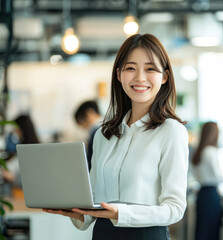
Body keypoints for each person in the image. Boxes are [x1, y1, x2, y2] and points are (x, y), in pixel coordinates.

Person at [42, 33, 189, 240]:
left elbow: (174, 209)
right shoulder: (104, 134)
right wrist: (75, 211)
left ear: (164, 77)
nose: (140, 77)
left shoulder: (171, 131)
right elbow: (93, 198)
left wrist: (121, 213)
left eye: (150, 69)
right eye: (131, 68)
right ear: (119, 74)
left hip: (146, 235)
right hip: (104, 234)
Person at [191, 121, 222, 240]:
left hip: (201, 194)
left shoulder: (198, 150)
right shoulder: (210, 151)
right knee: (210, 232)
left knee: (202, 231)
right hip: (211, 194)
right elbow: (217, 176)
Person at [2, 115, 40, 190]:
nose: (15, 133)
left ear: (22, 130)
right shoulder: (28, 150)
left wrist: (10, 177)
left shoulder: (28, 153)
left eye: (16, 130)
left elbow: (12, 176)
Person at [74, 100, 102, 171]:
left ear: (89, 113)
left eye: (82, 123)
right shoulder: (108, 126)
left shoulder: (97, 132)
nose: (83, 128)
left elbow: (91, 162)